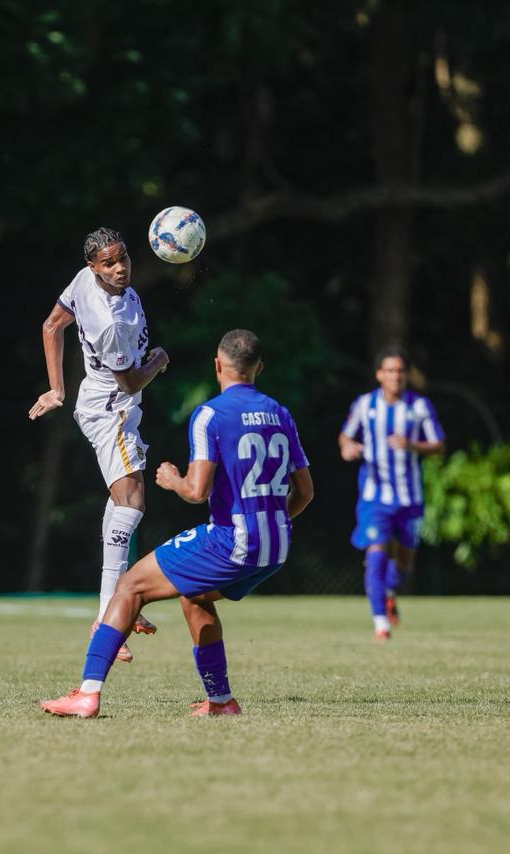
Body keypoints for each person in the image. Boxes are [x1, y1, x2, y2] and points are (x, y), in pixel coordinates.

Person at [39, 329, 313, 718]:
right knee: (195, 596)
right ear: (259, 368)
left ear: (218, 365)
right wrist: (269, 525)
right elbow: (305, 493)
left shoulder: (211, 415)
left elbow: (197, 491)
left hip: (232, 539)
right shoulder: (281, 414)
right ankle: (221, 701)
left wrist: (172, 480)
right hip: (277, 545)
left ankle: (87, 694)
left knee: (129, 585)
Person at [28, 227, 170, 662]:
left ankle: (118, 605)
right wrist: (159, 360)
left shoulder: (83, 280)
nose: (120, 267)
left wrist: (57, 389)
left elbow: (52, 325)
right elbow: (130, 382)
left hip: (101, 401)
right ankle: (110, 616)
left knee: (121, 502)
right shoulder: (112, 323)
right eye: (109, 263)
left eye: (122, 257)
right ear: (94, 267)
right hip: (114, 409)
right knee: (132, 501)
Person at [338, 347, 444, 641]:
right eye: (390, 370)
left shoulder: (418, 406)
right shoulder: (365, 405)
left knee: (405, 564)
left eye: (400, 370)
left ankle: (388, 591)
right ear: (379, 375)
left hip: (410, 498)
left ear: (406, 375)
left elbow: (439, 445)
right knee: (376, 554)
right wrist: (347, 447)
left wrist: (412, 445)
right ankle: (381, 624)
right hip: (374, 498)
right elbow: (345, 435)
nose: (395, 376)